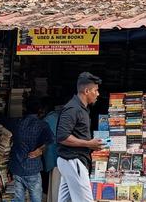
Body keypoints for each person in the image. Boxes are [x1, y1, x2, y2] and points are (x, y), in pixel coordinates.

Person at [55, 72, 104, 202]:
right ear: (87, 91)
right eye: (96, 90)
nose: (98, 94)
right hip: (72, 160)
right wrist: (89, 144)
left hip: (70, 161)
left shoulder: (82, 109)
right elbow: (62, 136)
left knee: (65, 200)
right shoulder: (72, 109)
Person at [10, 96, 53, 202]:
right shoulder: (42, 125)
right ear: (40, 110)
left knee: (18, 198)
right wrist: (40, 150)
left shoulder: (17, 123)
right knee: (36, 198)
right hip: (33, 168)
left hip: (17, 167)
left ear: (24, 108)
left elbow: (1, 119)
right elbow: (51, 140)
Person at [42, 99, 61, 202]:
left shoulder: (47, 119)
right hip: (59, 154)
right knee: (57, 182)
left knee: (54, 182)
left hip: (51, 154)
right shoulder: (59, 117)